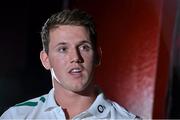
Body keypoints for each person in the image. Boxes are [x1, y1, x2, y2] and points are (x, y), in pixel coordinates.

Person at [0, 9, 140, 119]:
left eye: (84, 47)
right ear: (45, 59)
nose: (75, 57)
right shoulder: (16, 116)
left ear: (98, 56)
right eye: (63, 49)